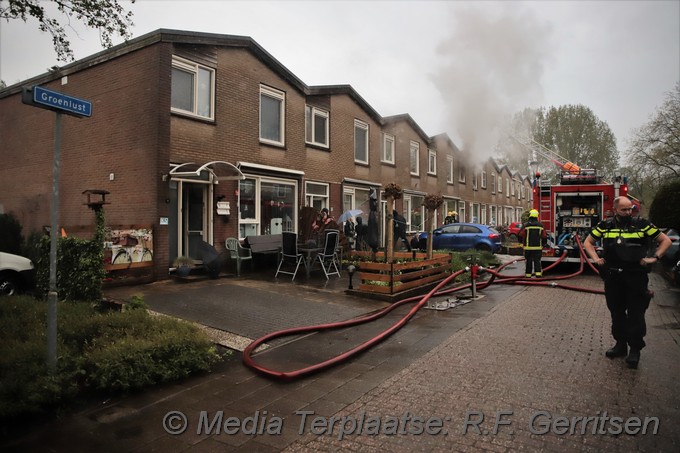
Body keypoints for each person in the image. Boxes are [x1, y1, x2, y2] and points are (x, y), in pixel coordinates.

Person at [584, 196, 671, 369]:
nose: (628, 212)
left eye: (629, 209)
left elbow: (665, 240)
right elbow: (588, 242)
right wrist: (596, 259)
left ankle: (635, 350)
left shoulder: (642, 224)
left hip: (636, 276)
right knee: (616, 312)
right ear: (615, 209)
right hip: (613, 277)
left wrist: (654, 258)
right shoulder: (606, 225)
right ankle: (620, 345)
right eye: (624, 209)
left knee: (636, 313)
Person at [519, 209, 547, 278]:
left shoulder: (526, 225)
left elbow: (520, 234)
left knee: (529, 261)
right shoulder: (540, 225)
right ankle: (538, 274)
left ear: (530, 216)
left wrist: (521, 243)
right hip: (538, 248)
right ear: (537, 216)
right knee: (537, 261)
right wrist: (544, 244)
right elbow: (544, 236)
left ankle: (528, 275)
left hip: (528, 248)